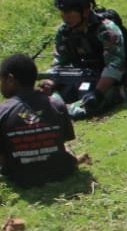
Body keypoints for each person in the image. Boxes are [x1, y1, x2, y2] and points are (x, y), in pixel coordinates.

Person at [49, 0, 127, 119]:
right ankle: (58, 109)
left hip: (109, 81)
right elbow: (59, 63)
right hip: (81, 78)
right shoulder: (64, 32)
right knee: (48, 100)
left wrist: (98, 93)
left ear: (85, 11)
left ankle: (65, 110)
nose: (66, 17)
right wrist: (51, 83)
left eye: (70, 12)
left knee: (90, 105)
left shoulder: (106, 30)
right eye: (63, 13)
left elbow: (115, 65)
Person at [0, 53, 78, 188]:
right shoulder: (56, 104)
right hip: (62, 172)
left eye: (1, 80)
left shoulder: (3, 112)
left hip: (22, 179)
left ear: (11, 80)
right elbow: (63, 140)